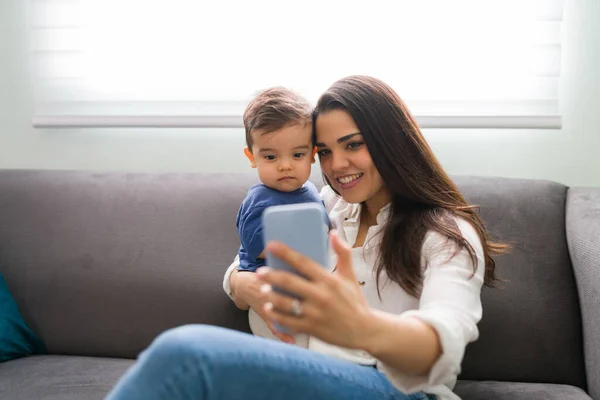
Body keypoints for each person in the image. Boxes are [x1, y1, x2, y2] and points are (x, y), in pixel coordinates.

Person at [105, 76, 507, 400]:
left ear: (391, 142)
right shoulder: (325, 201)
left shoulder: (447, 234)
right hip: (302, 373)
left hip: (394, 387)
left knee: (186, 354)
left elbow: (445, 342)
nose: (337, 165)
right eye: (325, 151)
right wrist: (247, 285)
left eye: (353, 145)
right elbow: (244, 261)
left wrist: (361, 327)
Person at [236, 87, 329, 346]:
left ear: (312, 155)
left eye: (297, 155)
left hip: (306, 293)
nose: (285, 165)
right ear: (252, 157)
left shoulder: (312, 191)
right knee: (288, 347)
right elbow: (257, 246)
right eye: (270, 156)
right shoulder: (259, 200)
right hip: (270, 297)